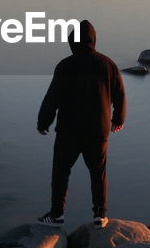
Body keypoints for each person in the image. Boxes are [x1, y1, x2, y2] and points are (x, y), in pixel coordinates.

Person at [36, 19, 125, 228]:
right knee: (98, 171)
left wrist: (43, 121)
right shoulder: (107, 64)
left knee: (61, 170)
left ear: (72, 41)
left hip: (70, 129)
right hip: (98, 129)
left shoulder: (65, 65)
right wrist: (118, 119)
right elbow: (120, 94)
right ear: (93, 40)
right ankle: (100, 215)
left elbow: (53, 97)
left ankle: (57, 215)